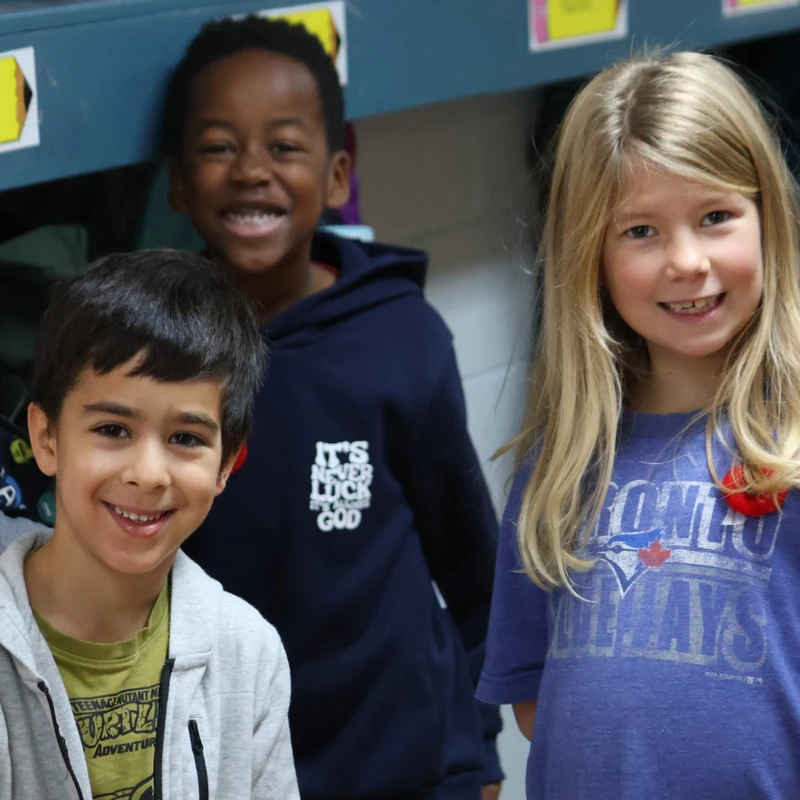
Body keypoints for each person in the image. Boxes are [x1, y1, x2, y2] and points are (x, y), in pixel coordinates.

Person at [164, 16, 503, 800]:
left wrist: (475, 753)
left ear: (339, 173)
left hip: (413, 765)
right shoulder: (157, 354)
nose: (252, 171)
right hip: (238, 768)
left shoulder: (399, 337)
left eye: (284, 147)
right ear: (178, 183)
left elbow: (474, 564)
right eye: (219, 146)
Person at [477, 50, 800, 799]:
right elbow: (535, 703)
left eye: (716, 217)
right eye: (641, 232)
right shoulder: (558, 472)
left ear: (769, 220)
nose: (686, 261)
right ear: (588, 254)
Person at [0, 249, 300, 800]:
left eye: (186, 438)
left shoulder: (248, 652)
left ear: (227, 465)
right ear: (46, 438)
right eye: (113, 429)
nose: (148, 474)